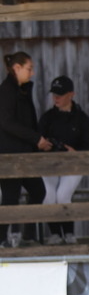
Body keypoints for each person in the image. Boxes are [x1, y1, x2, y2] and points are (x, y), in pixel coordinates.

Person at [0, 52, 52, 248]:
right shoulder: (6, 91)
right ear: (17, 68)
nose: (32, 73)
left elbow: (26, 121)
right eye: (29, 68)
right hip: (10, 154)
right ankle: (3, 238)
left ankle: (28, 235)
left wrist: (37, 141)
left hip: (25, 154)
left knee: (38, 191)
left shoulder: (22, 91)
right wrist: (35, 138)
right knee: (10, 196)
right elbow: (6, 123)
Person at [38, 75, 89, 244]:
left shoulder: (82, 119)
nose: (56, 98)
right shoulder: (47, 117)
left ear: (72, 94)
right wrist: (44, 145)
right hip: (49, 165)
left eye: (61, 94)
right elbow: (36, 142)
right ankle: (55, 233)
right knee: (48, 196)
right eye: (54, 94)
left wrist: (75, 152)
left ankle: (69, 233)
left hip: (74, 165)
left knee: (63, 195)